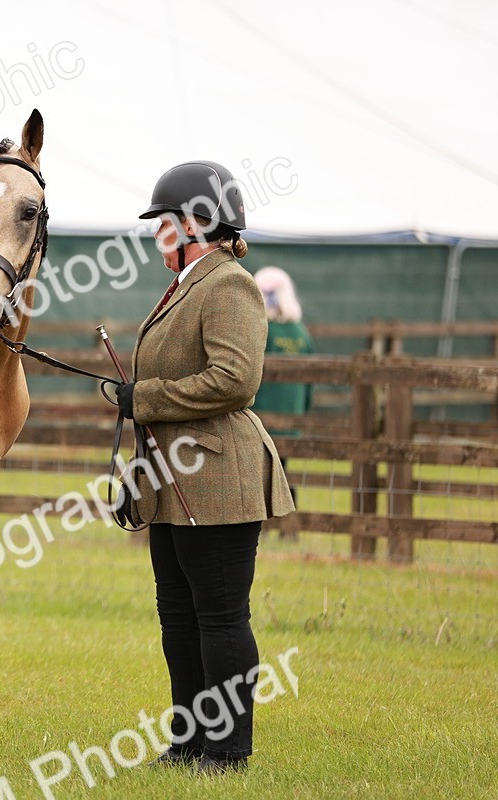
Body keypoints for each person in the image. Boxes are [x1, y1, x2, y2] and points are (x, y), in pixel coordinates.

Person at [113, 160, 294, 773]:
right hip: (172, 481)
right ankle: (189, 739)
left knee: (219, 616)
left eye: (164, 223)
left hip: (219, 478)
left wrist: (149, 396)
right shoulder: (186, 283)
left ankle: (229, 748)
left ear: (196, 223)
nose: (158, 235)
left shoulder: (229, 285)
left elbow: (236, 381)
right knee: (177, 615)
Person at [251, 266, 315, 508]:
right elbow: (310, 382)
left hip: (261, 418)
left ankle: (270, 523)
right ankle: (289, 522)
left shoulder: (260, 331)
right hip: (293, 417)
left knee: (261, 474)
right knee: (283, 470)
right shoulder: (301, 333)